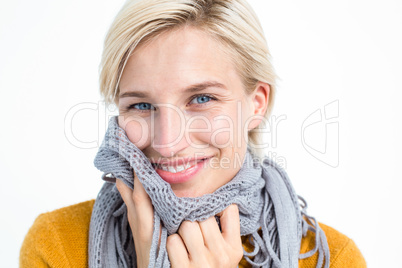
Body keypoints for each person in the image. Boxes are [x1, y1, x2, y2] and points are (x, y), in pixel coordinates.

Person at [20, 0, 366, 267]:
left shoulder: (330, 258)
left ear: (257, 103)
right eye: (141, 105)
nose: (168, 142)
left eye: (202, 99)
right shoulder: (59, 245)